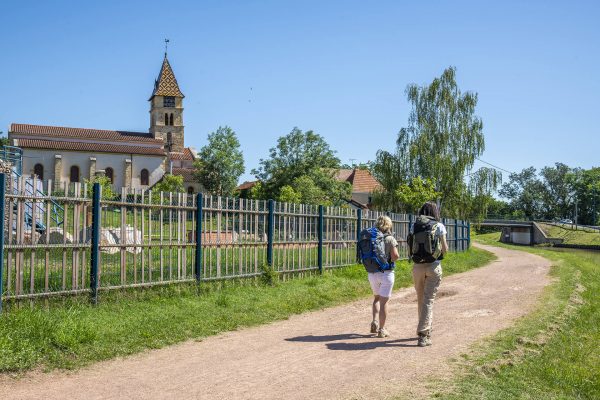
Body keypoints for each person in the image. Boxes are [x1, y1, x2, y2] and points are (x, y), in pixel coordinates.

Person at [410, 201, 448, 347]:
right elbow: (445, 249)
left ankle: (425, 329)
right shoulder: (439, 225)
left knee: (421, 299)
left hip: (417, 267)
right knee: (428, 300)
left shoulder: (415, 225)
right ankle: (423, 334)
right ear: (435, 212)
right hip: (433, 266)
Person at [362, 215, 399, 338]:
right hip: (386, 273)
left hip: (372, 273)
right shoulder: (390, 238)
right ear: (389, 225)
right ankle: (382, 330)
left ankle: (374, 322)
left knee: (376, 299)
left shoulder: (371, 238)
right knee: (384, 302)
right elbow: (395, 256)